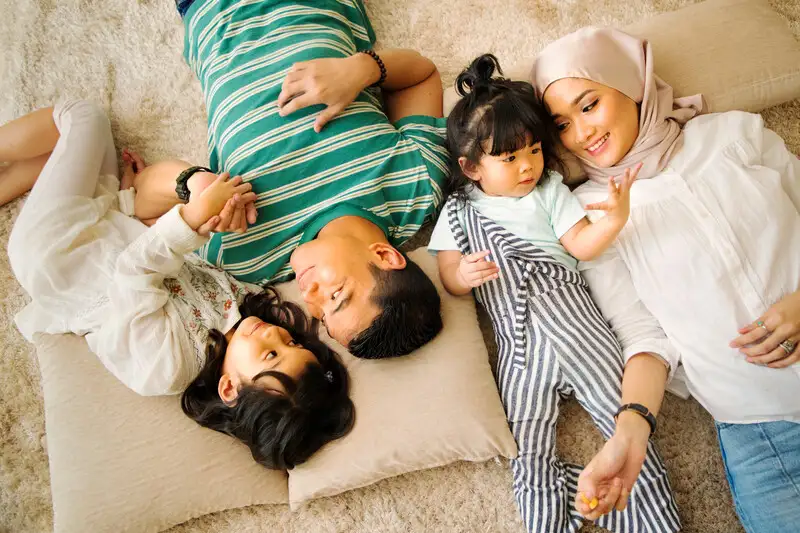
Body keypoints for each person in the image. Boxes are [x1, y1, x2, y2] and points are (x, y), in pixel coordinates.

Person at [532, 27, 800, 533]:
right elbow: (646, 338)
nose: (581, 133)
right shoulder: (587, 217)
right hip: (762, 431)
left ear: (631, 83)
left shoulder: (733, 134)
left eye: (589, 104)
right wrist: (628, 434)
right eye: (561, 125)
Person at [5, 99, 354, 469]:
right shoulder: (240, 311)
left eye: (271, 355)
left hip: (58, 250)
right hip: (107, 222)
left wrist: (191, 217)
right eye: (292, 343)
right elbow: (176, 261)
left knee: (81, 116)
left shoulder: (165, 366)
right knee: (67, 151)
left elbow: (132, 273)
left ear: (230, 388)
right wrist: (132, 203)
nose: (275, 334)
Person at [428, 54, 680, 533]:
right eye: (509, 159)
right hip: (518, 347)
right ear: (472, 167)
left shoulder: (549, 192)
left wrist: (614, 220)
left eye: (535, 150)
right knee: (526, 448)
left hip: (578, 327)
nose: (528, 166)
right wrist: (462, 272)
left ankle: (653, 522)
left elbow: (581, 244)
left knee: (624, 429)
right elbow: (447, 275)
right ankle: (546, 520)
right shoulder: (459, 212)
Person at [175, 0, 451, 358]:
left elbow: (146, 209)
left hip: (212, 13)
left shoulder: (246, 256)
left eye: (321, 316)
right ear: (385, 255)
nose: (309, 298)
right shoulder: (416, 188)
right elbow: (421, 76)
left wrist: (192, 182)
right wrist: (362, 69)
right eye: (336, 297)